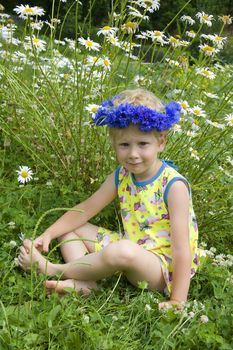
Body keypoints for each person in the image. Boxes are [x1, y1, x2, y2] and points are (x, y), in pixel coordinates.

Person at [17, 88, 199, 309]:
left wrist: (177, 301)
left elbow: (181, 250)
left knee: (122, 249)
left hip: (160, 268)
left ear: (161, 142)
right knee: (70, 227)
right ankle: (86, 283)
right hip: (131, 247)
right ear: (114, 144)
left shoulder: (174, 186)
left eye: (142, 144)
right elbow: (85, 209)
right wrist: (48, 234)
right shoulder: (121, 176)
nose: (133, 153)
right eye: (125, 145)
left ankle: (53, 269)